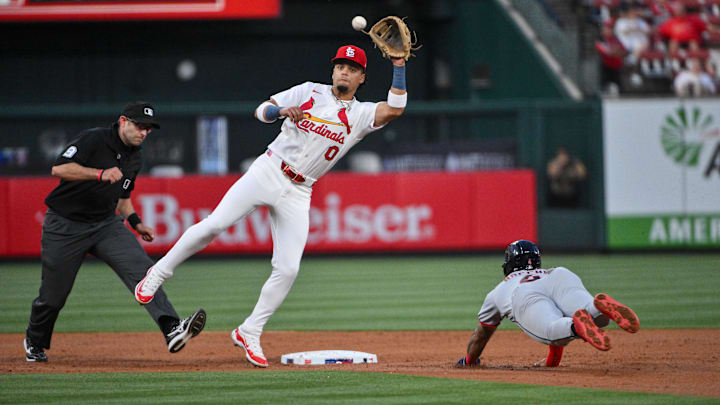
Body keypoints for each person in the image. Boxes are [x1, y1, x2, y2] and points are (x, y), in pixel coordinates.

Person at [134, 45, 408, 367]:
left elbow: (394, 109)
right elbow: (262, 110)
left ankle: (250, 331)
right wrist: (279, 112)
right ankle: (157, 274)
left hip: (300, 190)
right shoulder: (308, 91)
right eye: (340, 66)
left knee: (289, 268)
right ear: (333, 71)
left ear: (362, 77)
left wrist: (399, 65)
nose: (344, 71)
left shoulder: (361, 114)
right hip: (270, 169)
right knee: (215, 224)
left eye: (351, 68)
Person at [24, 102, 206, 363]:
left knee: (145, 273)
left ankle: (172, 328)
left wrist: (136, 222)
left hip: (105, 225)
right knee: (53, 297)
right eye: (140, 126)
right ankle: (35, 340)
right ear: (123, 121)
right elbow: (59, 169)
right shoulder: (94, 139)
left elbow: (122, 197)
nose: (144, 133)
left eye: (149, 129)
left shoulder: (136, 156)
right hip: (65, 225)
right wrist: (98, 174)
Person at [455, 240, 640, 368]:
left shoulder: (499, 291)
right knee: (595, 317)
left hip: (524, 294)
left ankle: (575, 327)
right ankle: (597, 306)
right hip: (558, 276)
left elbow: (482, 335)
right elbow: (556, 345)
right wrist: (552, 362)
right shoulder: (547, 272)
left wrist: (469, 360)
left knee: (554, 328)